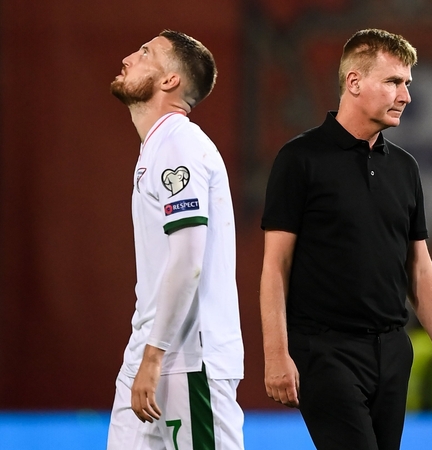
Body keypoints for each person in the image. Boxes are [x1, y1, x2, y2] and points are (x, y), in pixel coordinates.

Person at [259, 28, 432, 450]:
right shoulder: (299, 160)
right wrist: (277, 354)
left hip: (392, 351)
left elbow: (419, 266)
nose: (405, 95)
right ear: (353, 82)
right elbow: (275, 266)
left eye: (407, 83)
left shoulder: (405, 169)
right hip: (324, 351)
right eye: (393, 82)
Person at [107, 30, 245, 449]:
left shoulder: (179, 144)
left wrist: (154, 356)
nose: (129, 55)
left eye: (146, 51)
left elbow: (188, 260)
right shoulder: (158, 147)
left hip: (186, 361)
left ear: (170, 81)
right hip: (154, 354)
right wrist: (145, 357)